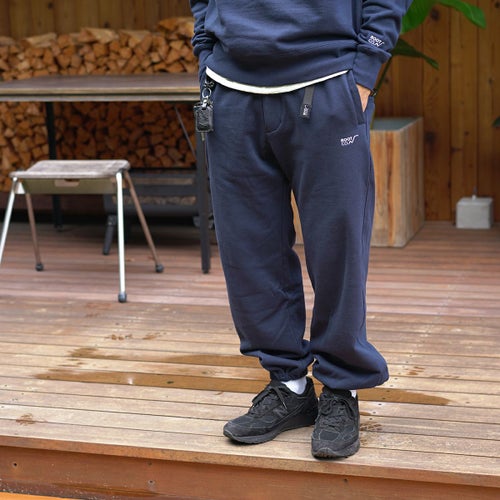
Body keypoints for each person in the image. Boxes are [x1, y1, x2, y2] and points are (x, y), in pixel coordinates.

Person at [189, 0, 412, 459]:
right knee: (249, 252)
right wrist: (206, 49)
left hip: (328, 82)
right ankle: (288, 386)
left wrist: (365, 70)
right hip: (230, 90)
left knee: (337, 251)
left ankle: (342, 388)